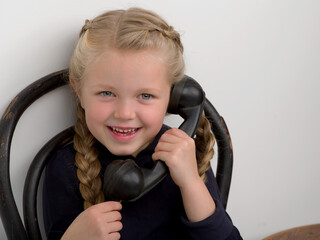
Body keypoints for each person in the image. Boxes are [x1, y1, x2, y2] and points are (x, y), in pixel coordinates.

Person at [43, 7, 242, 240]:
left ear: (174, 97)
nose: (125, 114)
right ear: (79, 90)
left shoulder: (184, 155)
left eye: (145, 96)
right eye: (107, 93)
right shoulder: (65, 168)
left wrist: (191, 183)